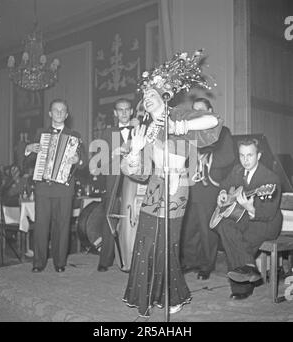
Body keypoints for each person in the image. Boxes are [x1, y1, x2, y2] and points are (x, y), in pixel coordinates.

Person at [121, 51, 223, 317]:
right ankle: (149, 296)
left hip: (177, 186)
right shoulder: (146, 128)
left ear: (164, 96)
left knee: (167, 245)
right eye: (145, 97)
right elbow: (137, 172)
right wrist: (135, 151)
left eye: (152, 95)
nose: (148, 99)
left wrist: (178, 128)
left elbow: (213, 122)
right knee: (145, 242)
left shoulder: (178, 114)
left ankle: (174, 295)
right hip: (154, 188)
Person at [216, 138, 282, 299]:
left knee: (238, 240)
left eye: (250, 155)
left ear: (258, 155)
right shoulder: (237, 170)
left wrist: (250, 207)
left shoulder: (270, 179)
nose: (245, 160)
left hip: (266, 222)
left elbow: (269, 213)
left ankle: (241, 289)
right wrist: (223, 193)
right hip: (243, 217)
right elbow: (225, 184)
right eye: (242, 155)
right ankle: (250, 266)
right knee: (224, 227)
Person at [25, 99, 86, 273]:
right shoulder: (40, 133)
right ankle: (38, 262)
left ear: (67, 115)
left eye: (62, 111)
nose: (59, 113)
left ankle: (60, 262)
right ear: (50, 113)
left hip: (64, 187)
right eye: (55, 110)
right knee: (41, 226)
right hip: (43, 186)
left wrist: (77, 160)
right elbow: (28, 161)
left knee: (62, 225)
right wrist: (29, 149)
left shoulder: (75, 135)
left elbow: (84, 162)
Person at [180, 98, 235, 280]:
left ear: (211, 111)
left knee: (206, 229)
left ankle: (206, 264)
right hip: (189, 186)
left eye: (201, 110)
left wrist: (206, 158)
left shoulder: (223, 132)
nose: (196, 114)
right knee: (189, 227)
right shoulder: (189, 133)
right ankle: (189, 261)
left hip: (209, 186)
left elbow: (228, 157)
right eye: (194, 110)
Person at [90, 98, 138, 272]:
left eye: (127, 109)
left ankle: (133, 258)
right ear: (115, 113)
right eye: (120, 110)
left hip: (135, 180)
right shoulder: (107, 133)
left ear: (131, 111)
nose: (124, 113)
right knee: (110, 217)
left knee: (135, 219)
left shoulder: (140, 130)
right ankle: (105, 260)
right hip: (114, 180)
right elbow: (97, 162)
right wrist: (113, 153)